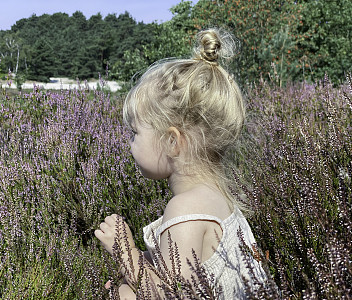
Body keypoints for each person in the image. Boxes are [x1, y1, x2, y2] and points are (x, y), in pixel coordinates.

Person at [94, 28, 266, 299]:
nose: (130, 143)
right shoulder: (217, 197)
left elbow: (170, 295)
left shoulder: (185, 209)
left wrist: (124, 252)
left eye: (135, 133)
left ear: (172, 142)